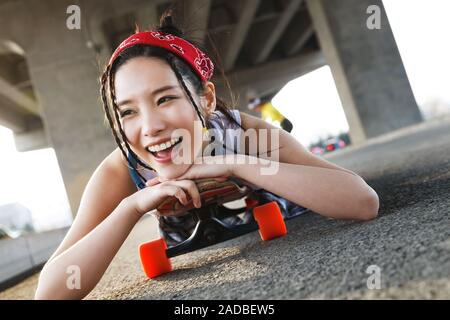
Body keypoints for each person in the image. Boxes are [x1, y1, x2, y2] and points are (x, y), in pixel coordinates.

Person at [34, 12, 379, 300]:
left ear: (207, 100)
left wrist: (235, 163)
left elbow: (363, 201)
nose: (150, 127)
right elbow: (49, 292)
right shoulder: (123, 168)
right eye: (128, 112)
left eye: (165, 99)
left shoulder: (241, 133)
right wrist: (130, 208)